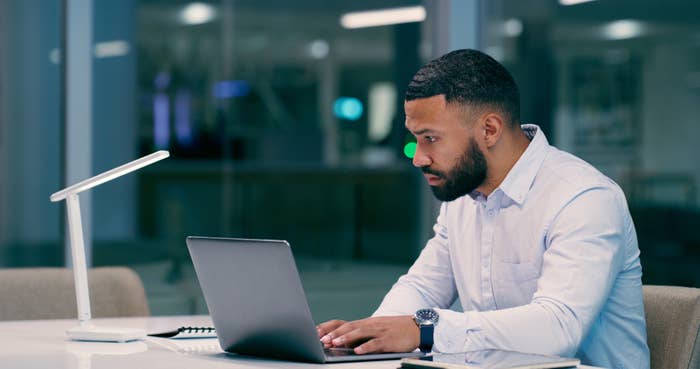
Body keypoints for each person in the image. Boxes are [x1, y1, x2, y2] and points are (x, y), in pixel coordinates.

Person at [316, 49, 650, 369]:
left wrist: (424, 329)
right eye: (415, 138)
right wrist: (368, 339)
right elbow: (423, 287)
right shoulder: (465, 195)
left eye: (430, 138)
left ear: (489, 130)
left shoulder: (583, 198)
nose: (418, 157)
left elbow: (558, 329)